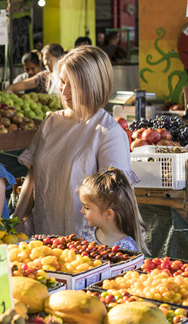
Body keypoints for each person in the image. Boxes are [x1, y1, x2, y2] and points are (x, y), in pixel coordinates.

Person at [13, 45, 139, 236]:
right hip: (43, 232)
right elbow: (33, 175)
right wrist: (17, 217)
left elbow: (115, 200)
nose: (64, 92)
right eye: (62, 82)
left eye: (73, 84)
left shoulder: (107, 132)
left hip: (84, 243)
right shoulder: (51, 123)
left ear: (93, 85)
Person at [77, 167, 150, 254]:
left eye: (87, 208)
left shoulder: (127, 246)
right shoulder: (86, 232)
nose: (82, 211)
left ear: (108, 214)